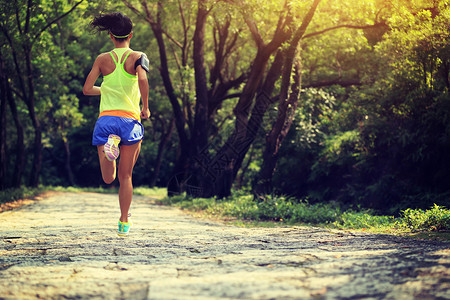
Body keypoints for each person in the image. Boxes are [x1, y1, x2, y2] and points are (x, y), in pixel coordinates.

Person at [83, 12, 150, 237]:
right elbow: (142, 79)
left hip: (106, 120)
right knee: (125, 177)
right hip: (129, 120)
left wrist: (106, 89)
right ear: (131, 35)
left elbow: (86, 89)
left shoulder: (102, 59)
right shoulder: (139, 56)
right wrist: (146, 107)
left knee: (108, 178)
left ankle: (111, 149)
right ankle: (123, 222)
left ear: (110, 36)